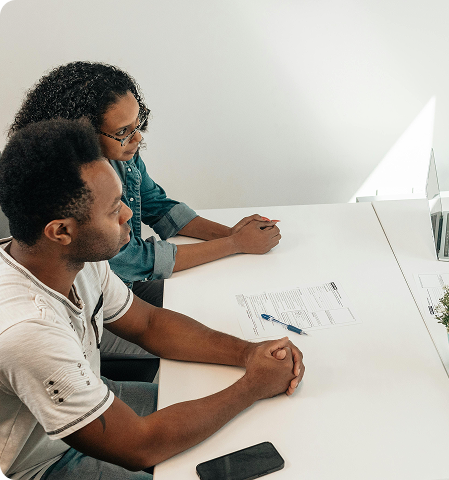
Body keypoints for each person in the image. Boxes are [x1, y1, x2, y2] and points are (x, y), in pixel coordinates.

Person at [0, 119, 305, 480]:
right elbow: (137, 445)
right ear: (61, 231)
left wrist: (249, 353)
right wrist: (252, 386)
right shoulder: (28, 330)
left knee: (241, 423)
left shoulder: (76, 259)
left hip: (93, 399)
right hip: (39, 465)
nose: (128, 214)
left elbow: (148, 323)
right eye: (113, 209)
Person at [9, 61, 281, 365]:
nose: (138, 138)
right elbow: (133, 259)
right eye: (123, 131)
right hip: (96, 314)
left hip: (120, 293)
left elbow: (157, 205)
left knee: (209, 311)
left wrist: (233, 233)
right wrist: (234, 244)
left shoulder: (122, 157)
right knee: (182, 355)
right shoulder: (61, 189)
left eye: (138, 124)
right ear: (82, 133)